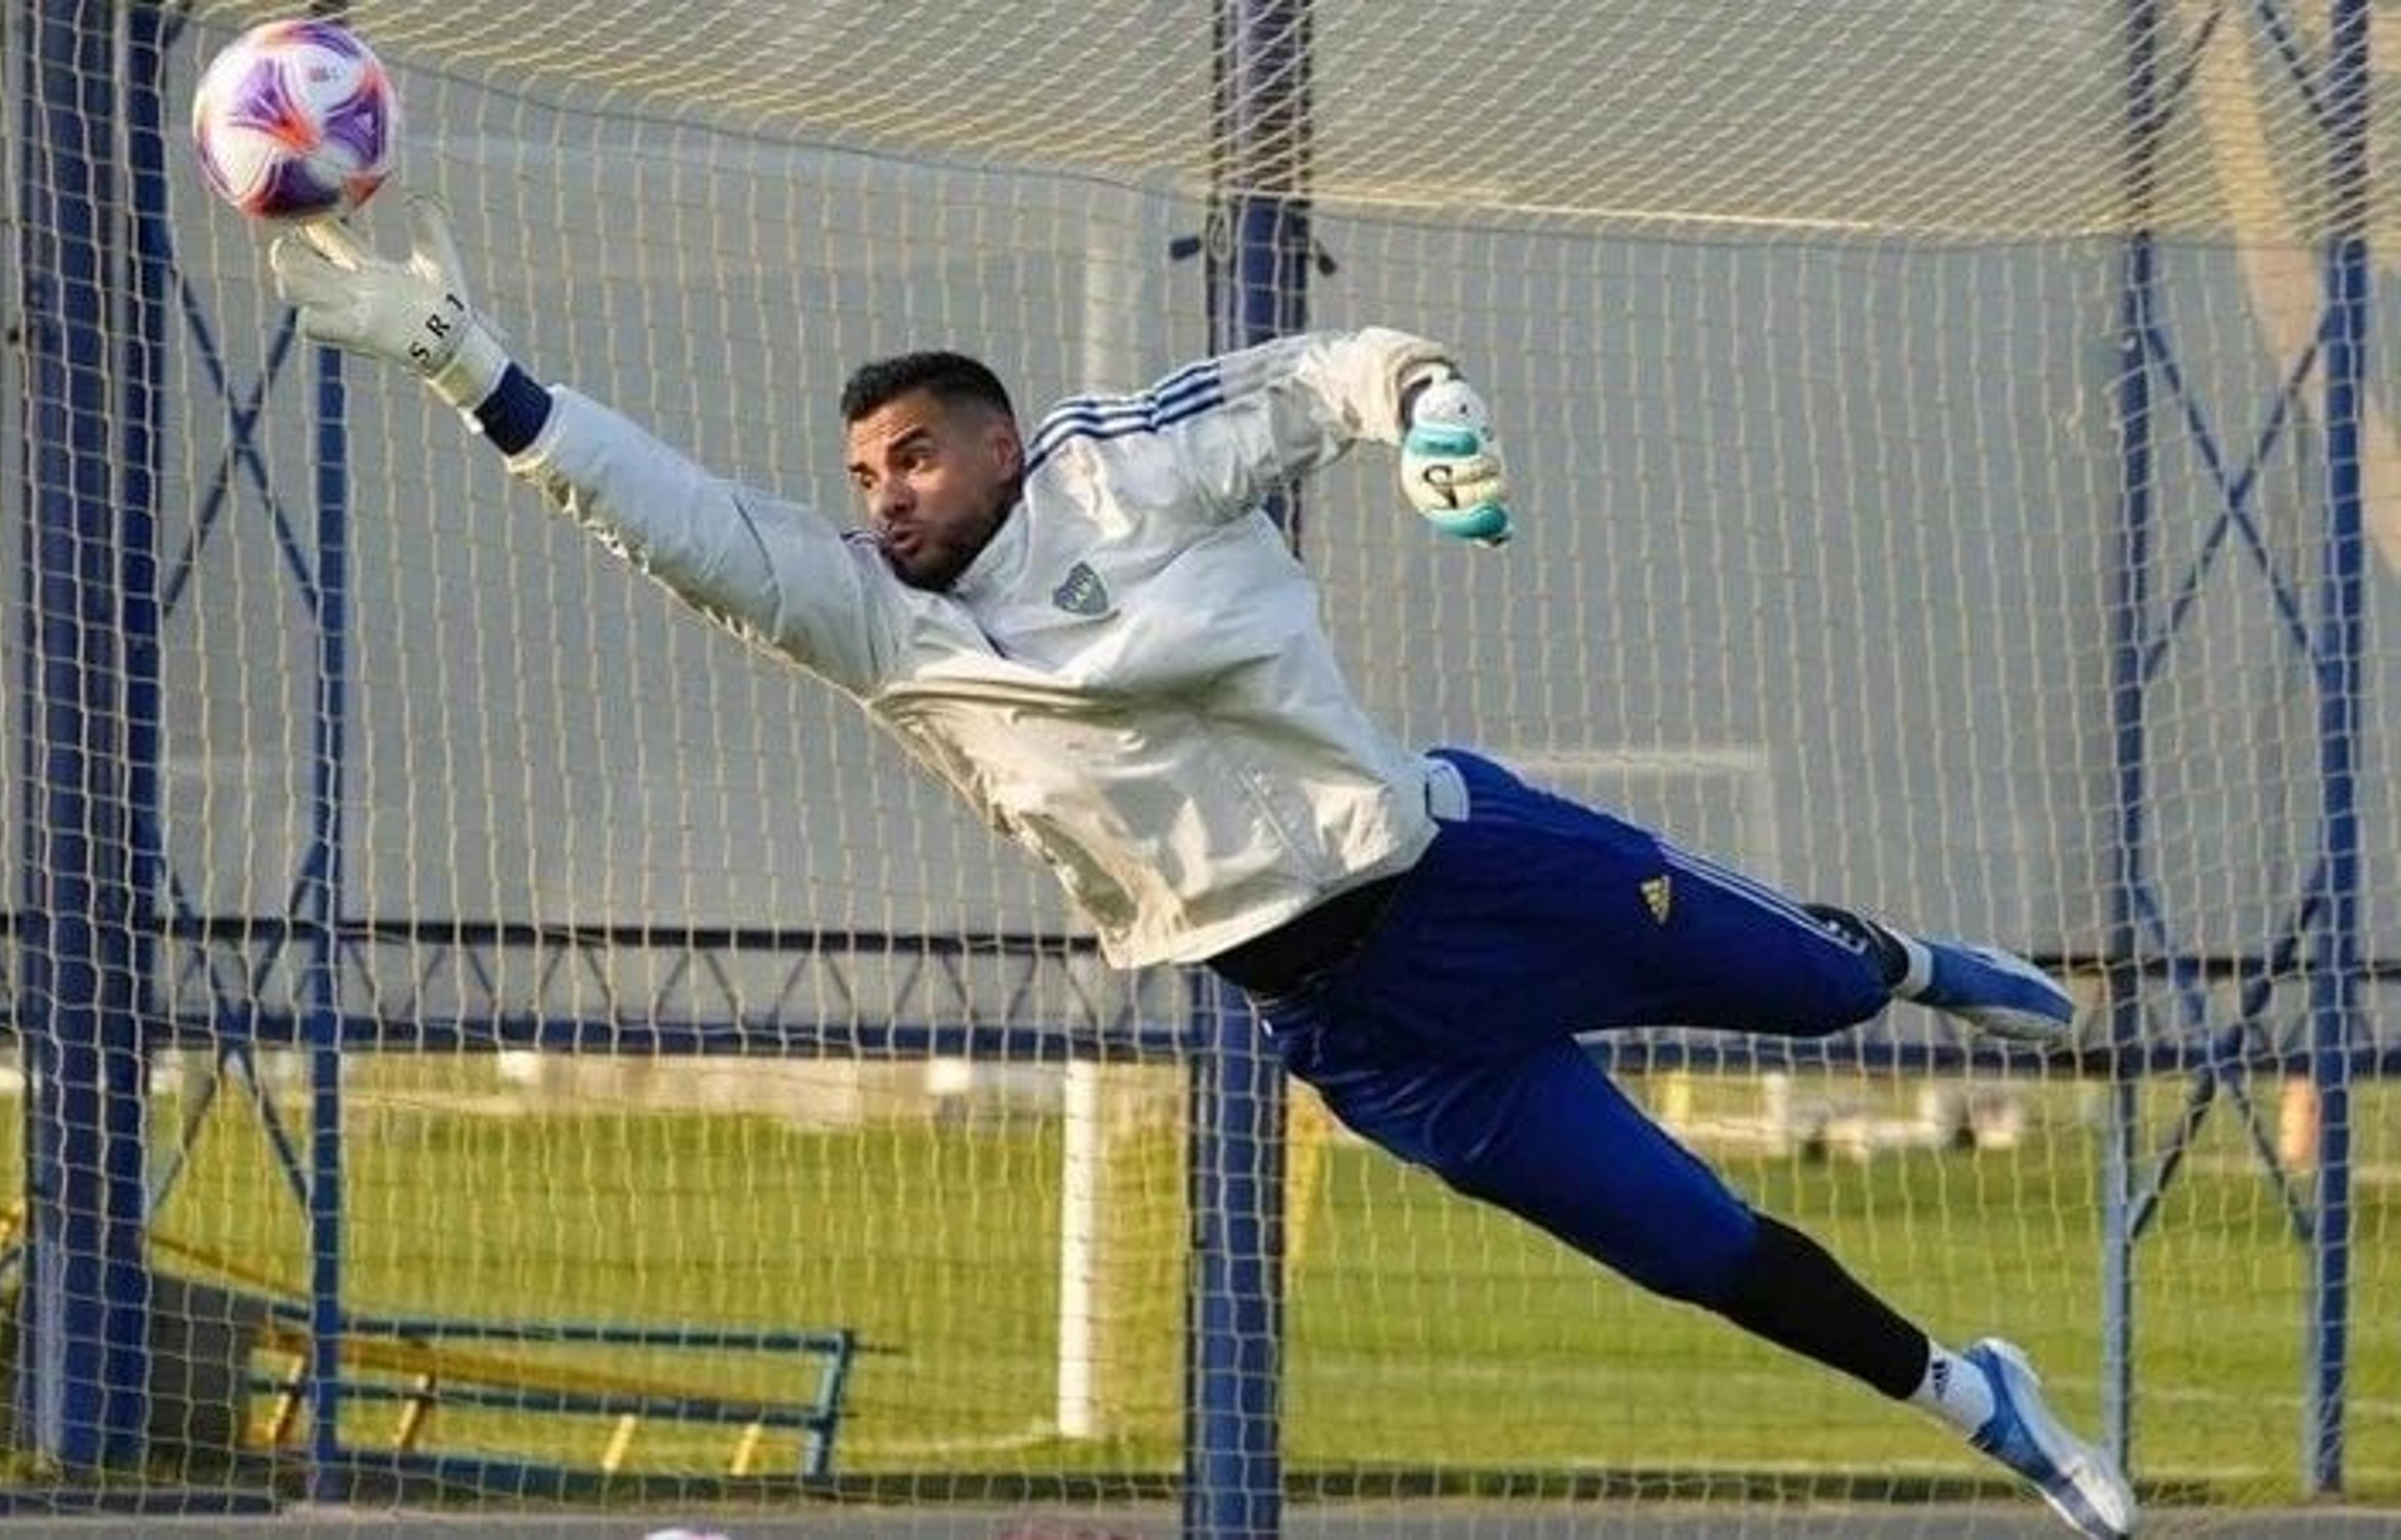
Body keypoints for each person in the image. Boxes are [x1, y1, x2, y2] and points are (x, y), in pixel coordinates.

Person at [269, 202, 2137, 1539]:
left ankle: (1902, 958)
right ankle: (1981, 1400)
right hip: (1367, 1035)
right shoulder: (871, 624)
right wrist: (460, 360)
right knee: (1696, 1250)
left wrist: (1435, 420)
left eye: (915, 456)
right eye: (861, 473)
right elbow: (664, 517)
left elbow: (1343, 369)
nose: (882, 496)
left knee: (1819, 992)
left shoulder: (1117, 472)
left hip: (1474, 869)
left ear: (1000, 445)